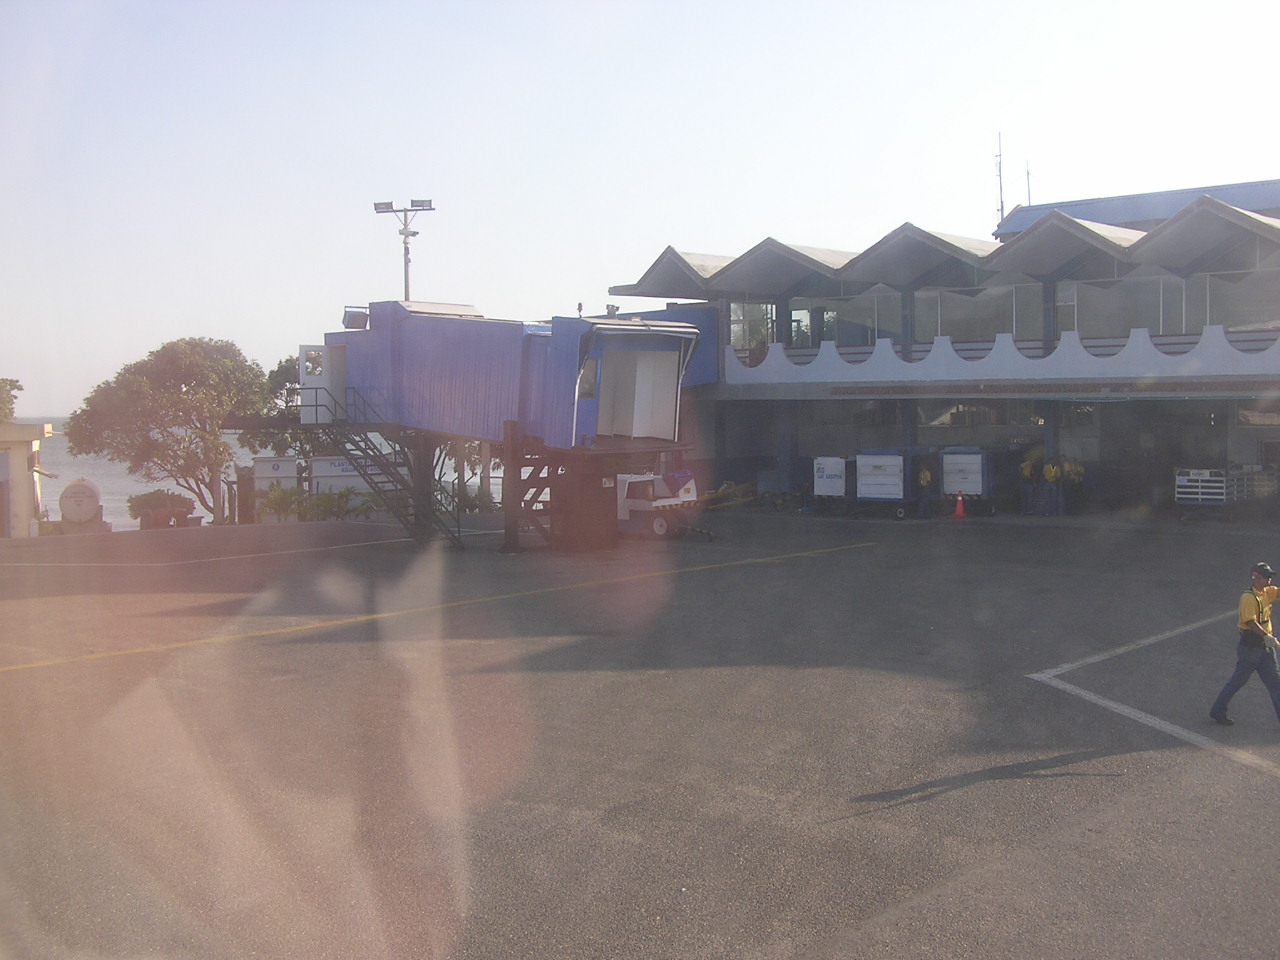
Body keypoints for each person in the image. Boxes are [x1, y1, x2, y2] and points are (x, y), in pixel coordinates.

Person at [1209, 561, 1280, 726]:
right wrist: (1267, 636)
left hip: (1265, 649)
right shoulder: (1248, 597)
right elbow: (1250, 622)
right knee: (1238, 681)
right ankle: (1218, 710)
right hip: (1251, 648)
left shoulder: (1267, 592)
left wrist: (1267, 640)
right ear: (1256, 577)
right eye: (1266, 576)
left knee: (1275, 682)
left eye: (1270, 576)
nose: (1270, 579)